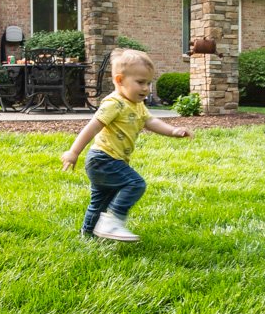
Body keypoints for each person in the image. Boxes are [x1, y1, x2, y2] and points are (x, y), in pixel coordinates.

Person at [61, 48, 192, 242]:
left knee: (100, 201)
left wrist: (173, 131)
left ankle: (87, 236)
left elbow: (151, 122)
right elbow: (92, 127)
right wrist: (73, 152)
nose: (146, 88)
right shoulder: (115, 103)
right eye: (140, 82)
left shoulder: (137, 104)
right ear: (120, 80)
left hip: (108, 161)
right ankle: (112, 222)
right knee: (135, 184)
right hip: (103, 159)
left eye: (148, 83)